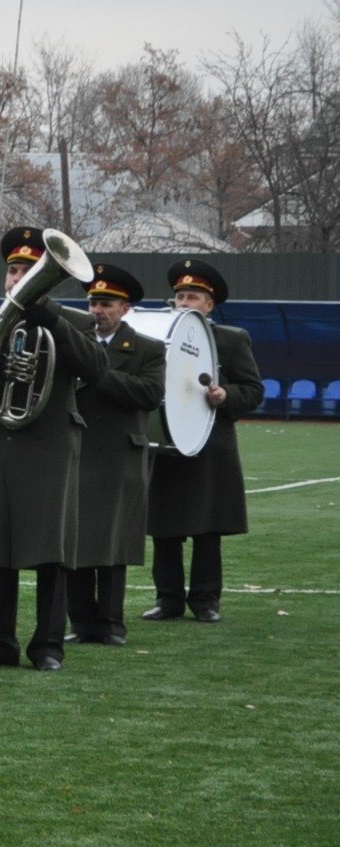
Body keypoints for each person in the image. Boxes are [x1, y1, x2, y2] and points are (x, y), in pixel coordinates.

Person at [0, 227, 107, 673]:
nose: (19, 278)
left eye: (28, 271)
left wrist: (58, 328)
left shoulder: (74, 321)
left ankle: (47, 645)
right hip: (0, 442)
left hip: (51, 444)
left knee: (51, 548)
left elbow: (97, 369)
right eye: (13, 271)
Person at [144, 259, 263, 622]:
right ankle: (168, 600)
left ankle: (206, 601)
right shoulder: (156, 335)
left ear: (209, 305)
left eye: (192, 297)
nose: (183, 303)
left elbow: (254, 390)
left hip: (211, 445)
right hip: (168, 443)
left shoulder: (231, 339)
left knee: (208, 528)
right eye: (179, 296)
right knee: (165, 526)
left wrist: (226, 395)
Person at [65, 264, 164, 645]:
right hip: (76, 449)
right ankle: (80, 622)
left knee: (112, 542)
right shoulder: (73, 341)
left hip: (118, 455)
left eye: (106, 304)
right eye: (92, 302)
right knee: (73, 538)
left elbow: (148, 395)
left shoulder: (147, 349)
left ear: (125, 309)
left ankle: (110, 623)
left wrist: (96, 372)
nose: (97, 311)